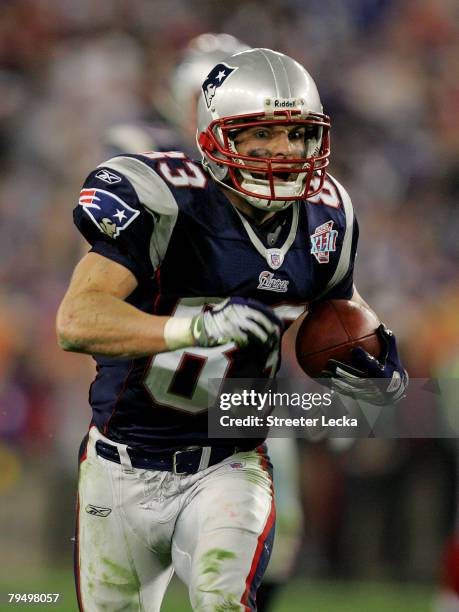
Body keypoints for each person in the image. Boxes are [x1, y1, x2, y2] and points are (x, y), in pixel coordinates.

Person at [56, 48, 408, 611]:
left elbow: (342, 316)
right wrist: (194, 328)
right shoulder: (164, 197)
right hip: (120, 463)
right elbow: (76, 321)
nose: (285, 151)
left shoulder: (329, 214)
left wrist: (376, 369)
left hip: (231, 464)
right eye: (261, 134)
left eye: (297, 133)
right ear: (218, 138)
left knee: (225, 603)